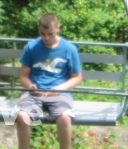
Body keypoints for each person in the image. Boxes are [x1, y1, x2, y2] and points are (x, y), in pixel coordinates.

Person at [16, 13, 83, 149]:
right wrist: (30, 86)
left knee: (64, 117)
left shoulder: (69, 49)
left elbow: (77, 77)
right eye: (42, 34)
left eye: (50, 34)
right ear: (38, 28)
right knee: (22, 116)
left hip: (59, 93)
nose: (46, 38)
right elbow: (23, 76)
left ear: (58, 28)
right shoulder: (32, 47)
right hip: (34, 93)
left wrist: (60, 88)